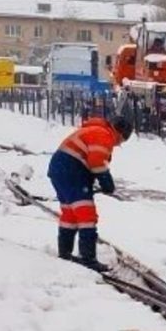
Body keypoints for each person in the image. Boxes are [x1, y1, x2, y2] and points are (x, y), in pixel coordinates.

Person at [47, 114, 134, 271]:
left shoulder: (94, 130)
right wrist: (106, 181)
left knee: (70, 213)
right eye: (120, 141)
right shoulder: (104, 135)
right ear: (120, 133)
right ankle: (88, 259)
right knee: (87, 216)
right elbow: (97, 162)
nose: (117, 144)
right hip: (72, 172)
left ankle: (65, 253)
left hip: (59, 170)